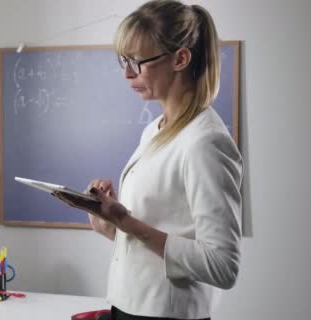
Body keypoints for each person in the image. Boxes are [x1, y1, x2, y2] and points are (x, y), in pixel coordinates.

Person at [54, 1, 243, 319]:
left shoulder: (205, 142)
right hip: (128, 305)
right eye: (123, 60)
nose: (127, 73)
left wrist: (127, 222)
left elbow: (223, 265)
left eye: (138, 62)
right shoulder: (155, 130)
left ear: (180, 59)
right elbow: (160, 232)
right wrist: (109, 223)